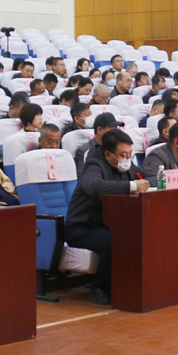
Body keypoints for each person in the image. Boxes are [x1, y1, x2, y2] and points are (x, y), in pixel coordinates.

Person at [64, 130, 150, 305]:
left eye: (130, 154)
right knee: (114, 239)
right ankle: (100, 287)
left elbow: (151, 177)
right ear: (108, 155)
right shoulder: (94, 165)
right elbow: (94, 185)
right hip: (82, 228)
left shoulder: (127, 166)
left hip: (108, 224)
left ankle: (131, 284)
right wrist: (132, 185)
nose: (127, 159)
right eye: (123, 155)